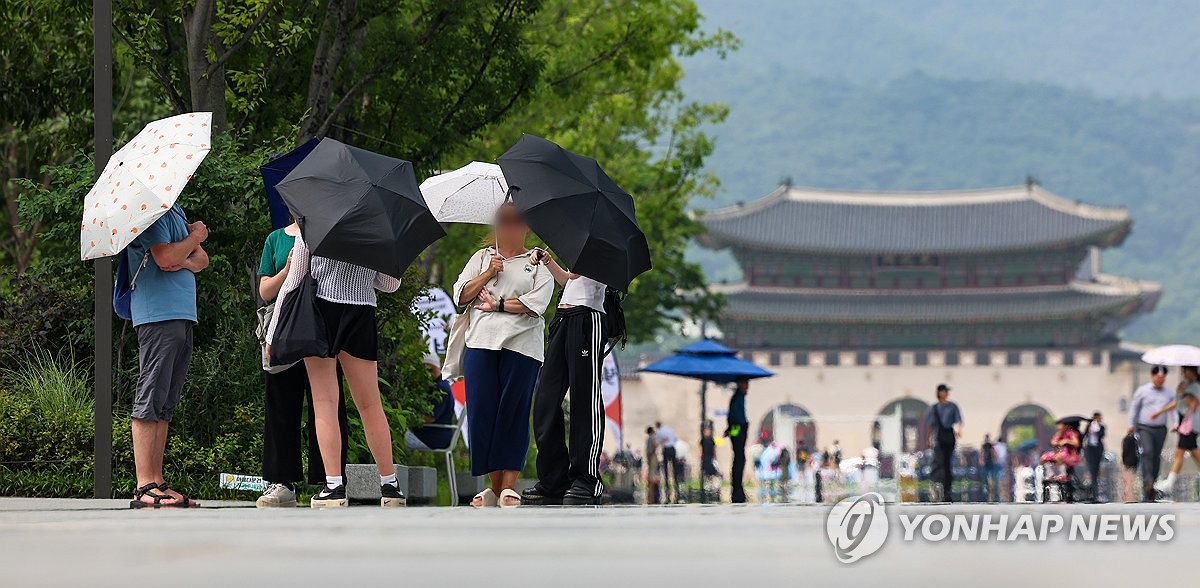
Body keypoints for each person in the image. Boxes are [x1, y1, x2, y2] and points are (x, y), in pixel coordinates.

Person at [266, 232, 404, 508]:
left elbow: (294, 280)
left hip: (319, 309)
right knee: (370, 403)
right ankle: (390, 485)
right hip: (361, 310)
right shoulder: (373, 225)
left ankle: (333, 487)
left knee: (325, 401)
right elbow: (390, 284)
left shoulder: (314, 219)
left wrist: (273, 333)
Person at [452, 203, 553, 508]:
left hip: (522, 345)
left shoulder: (537, 262)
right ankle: (494, 486)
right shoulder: (483, 258)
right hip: (481, 342)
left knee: (513, 410)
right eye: (503, 220)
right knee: (483, 411)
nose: (510, 226)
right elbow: (461, 294)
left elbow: (536, 303)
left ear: (527, 225)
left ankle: (508, 485)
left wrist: (498, 305)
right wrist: (488, 273)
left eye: (516, 220)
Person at [255, 219, 349, 509]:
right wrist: (287, 269)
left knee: (329, 402)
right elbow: (265, 291)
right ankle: (282, 480)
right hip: (286, 326)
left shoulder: (329, 233)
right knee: (281, 400)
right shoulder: (276, 239)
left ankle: (330, 478)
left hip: (321, 327)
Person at [127, 204, 209, 508]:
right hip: (158, 314)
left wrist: (184, 255)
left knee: (165, 402)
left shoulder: (174, 211)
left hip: (181, 314)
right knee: (151, 394)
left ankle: (157, 482)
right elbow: (164, 258)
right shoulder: (149, 211)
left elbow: (202, 260)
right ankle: (143, 485)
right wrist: (195, 236)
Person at [525, 248, 610, 505]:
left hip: (589, 317)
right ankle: (554, 480)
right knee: (546, 399)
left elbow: (577, 272)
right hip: (562, 317)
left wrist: (578, 255)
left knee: (585, 399)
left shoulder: (606, 242)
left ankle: (587, 478)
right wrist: (549, 261)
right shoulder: (580, 235)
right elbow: (568, 279)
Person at [1151, 366, 1200, 493]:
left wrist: (1184, 393)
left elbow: (1193, 405)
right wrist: (1160, 412)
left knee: (1179, 453)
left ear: (1193, 372)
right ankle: (1169, 482)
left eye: (1186, 371)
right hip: (1184, 423)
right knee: (1194, 453)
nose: (1184, 374)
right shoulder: (1184, 385)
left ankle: (1170, 483)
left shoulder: (1195, 386)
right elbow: (1176, 403)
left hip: (1191, 424)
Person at [1127, 365, 1173, 501]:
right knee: (1147, 452)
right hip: (1145, 427)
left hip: (1160, 428)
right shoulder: (1142, 391)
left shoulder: (1168, 393)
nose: (1160, 380)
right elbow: (1134, 408)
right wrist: (1130, 424)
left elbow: (1173, 410)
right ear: (1152, 376)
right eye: (1158, 377)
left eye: (1162, 378)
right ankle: (1147, 482)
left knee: (1156, 456)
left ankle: (1153, 481)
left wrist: (1176, 423)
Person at [404, 352, 456, 451]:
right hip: (433, 434)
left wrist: (406, 419)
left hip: (434, 437)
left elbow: (429, 418)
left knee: (394, 437)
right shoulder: (436, 385)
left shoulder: (440, 388)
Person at [925, 383, 962, 502]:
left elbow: (958, 420)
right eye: (944, 391)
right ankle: (936, 485)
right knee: (938, 462)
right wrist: (929, 439)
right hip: (939, 438)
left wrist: (958, 430)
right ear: (940, 393)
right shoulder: (934, 408)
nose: (946, 393)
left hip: (949, 436)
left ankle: (947, 490)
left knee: (947, 464)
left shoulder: (952, 406)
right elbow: (930, 425)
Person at [726, 377, 750, 503]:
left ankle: (738, 488)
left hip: (739, 429)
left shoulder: (739, 397)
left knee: (740, 457)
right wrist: (732, 431)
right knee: (739, 457)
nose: (747, 386)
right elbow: (734, 417)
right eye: (746, 383)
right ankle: (737, 489)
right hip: (738, 429)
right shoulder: (737, 398)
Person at [654, 421, 680, 502]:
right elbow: (675, 439)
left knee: (665, 467)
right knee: (674, 468)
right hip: (672, 449)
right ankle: (676, 484)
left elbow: (657, 443)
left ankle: (667, 484)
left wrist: (663, 441)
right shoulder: (670, 429)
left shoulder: (659, 432)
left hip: (666, 449)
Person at [1083, 412, 1106, 496]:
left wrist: (1096, 431)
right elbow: (1084, 435)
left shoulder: (1101, 427)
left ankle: (1095, 484)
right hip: (1090, 449)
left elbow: (1102, 435)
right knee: (1091, 467)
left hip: (1098, 449)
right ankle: (1093, 486)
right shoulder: (1089, 426)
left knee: (1097, 467)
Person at [644, 426, 661, 505]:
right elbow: (655, 444)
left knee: (652, 476)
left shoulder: (648, 438)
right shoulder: (652, 437)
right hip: (652, 456)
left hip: (650, 457)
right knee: (652, 477)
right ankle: (652, 497)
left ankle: (651, 496)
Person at [981, 434, 998, 502]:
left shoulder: (990, 445)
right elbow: (982, 452)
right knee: (986, 476)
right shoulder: (984, 445)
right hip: (987, 462)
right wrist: (981, 460)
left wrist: (994, 459)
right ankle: (988, 487)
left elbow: (993, 452)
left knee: (990, 476)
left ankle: (991, 488)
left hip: (989, 462)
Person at [993, 435, 1008, 502]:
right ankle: (1002, 496)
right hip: (1002, 463)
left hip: (996, 463)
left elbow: (995, 454)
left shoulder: (995, 446)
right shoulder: (1004, 446)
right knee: (1002, 478)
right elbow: (1005, 455)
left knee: (996, 479)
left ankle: (997, 495)